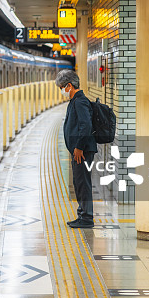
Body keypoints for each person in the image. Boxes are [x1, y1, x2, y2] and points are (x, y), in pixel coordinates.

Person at [56, 69, 97, 228]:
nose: (62, 91)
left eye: (62, 88)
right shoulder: (75, 101)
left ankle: (86, 218)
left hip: (83, 151)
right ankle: (82, 214)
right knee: (79, 182)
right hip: (80, 150)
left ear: (69, 85)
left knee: (83, 183)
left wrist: (79, 147)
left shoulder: (80, 101)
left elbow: (85, 126)